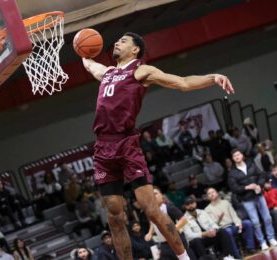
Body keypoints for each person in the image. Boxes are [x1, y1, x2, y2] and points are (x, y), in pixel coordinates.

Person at [82, 31, 234, 260]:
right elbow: (91, 66)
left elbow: (182, 83)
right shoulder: (108, 73)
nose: (117, 42)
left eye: (123, 41)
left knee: (150, 209)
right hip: (103, 149)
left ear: (135, 50)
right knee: (114, 216)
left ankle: (184, 258)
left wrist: (212, 77)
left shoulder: (142, 70)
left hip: (126, 144)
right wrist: (82, 52)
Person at [228, 149, 277, 250]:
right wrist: (247, 187)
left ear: (242, 155)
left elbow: (262, 175)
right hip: (247, 199)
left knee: (267, 217)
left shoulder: (251, 164)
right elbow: (234, 188)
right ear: (233, 159)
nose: (237, 157)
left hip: (259, 195)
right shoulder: (232, 173)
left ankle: (271, 238)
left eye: (238, 154)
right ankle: (262, 242)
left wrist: (259, 185)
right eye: (235, 156)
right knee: (255, 222)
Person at [145, 187, 196, 260]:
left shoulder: (168, 207)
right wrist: (150, 233)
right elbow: (153, 224)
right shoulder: (152, 212)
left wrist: (172, 230)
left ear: (161, 196)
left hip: (176, 240)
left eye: (155, 194)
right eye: (151, 195)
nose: (153, 196)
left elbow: (184, 219)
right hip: (164, 244)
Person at [204, 187, 256, 256]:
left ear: (217, 193)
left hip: (233, 225)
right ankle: (236, 255)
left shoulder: (225, 202)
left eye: (213, 192)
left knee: (247, 223)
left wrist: (238, 223)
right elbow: (212, 225)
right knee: (228, 232)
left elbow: (234, 215)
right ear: (208, 197)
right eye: (209, 194)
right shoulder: (207, 209)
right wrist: (219, 219)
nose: (211, 194)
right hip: (222, 229)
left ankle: (250, 248)